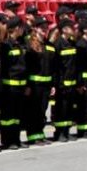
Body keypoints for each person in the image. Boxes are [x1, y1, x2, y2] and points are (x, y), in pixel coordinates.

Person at [24, 15, 54, 145]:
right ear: (35, 28)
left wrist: (52, 85)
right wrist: (27, 85)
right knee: (33, 111)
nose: (45, 29)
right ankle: (33, 136)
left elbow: (53, 67)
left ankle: (40, 134)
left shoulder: (49, 45)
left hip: (46, 84)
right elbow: (26, 66)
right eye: (42, 27)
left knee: (42, 111)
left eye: (46, 27)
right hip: (34, 84)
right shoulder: (29, 44)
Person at [0, 16, 29, 149]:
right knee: (8, 116)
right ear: (16, 28)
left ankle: (16, 139)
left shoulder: (21, 44)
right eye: (21, 27)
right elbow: (5, 67)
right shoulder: (6, 45)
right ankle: (8, 140)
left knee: (17, 115)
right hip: (10, 86)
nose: (23, 30)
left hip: (21, 85)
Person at [51, 18, 78, 142]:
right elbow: (56, 67)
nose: (73, 29)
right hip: (62, 84)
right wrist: (58, 83)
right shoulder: (58, 44)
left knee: (69, 109)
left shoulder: (71, 43)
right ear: (64, 29)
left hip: (71, 83)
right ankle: (59, 132)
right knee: (61, 109)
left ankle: (66, 130)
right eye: (71, 27)